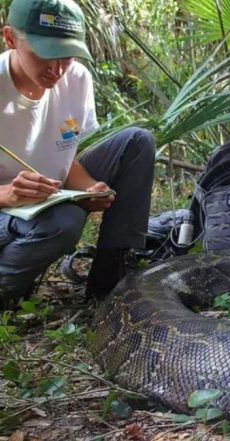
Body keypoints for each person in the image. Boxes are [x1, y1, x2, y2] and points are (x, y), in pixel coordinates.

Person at [0, 0, 155, 303]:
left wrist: (90, 188)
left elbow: (63, 157)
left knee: (137, 142)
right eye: (45, 54)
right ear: (10, 38)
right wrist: (7, 195)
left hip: (47, 197)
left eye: (67, 56)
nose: (57, 69)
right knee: (65, 220)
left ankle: (109, 283)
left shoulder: (76, 79)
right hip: (8, 209)